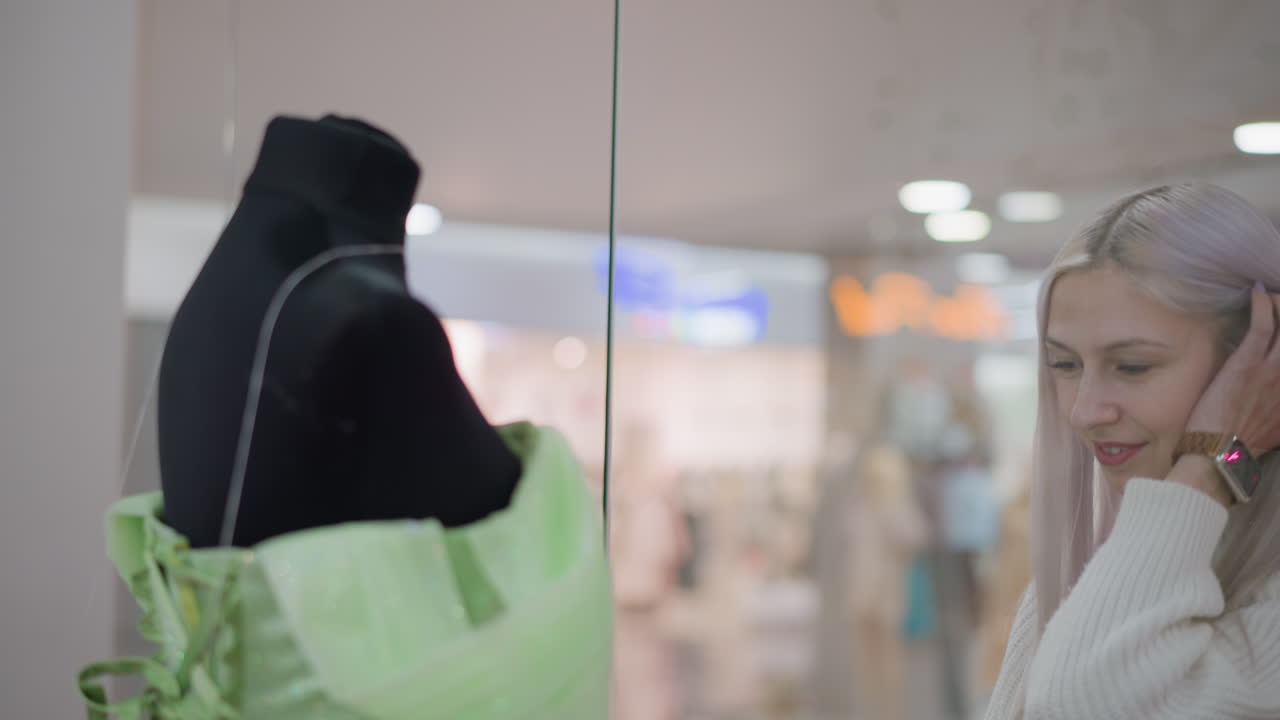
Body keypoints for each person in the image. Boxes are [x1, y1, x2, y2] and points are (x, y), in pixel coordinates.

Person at [984, 183, 1280, 719]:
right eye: (1066, 365)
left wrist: (1216, 460)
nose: (1084, 411)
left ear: (1263, 363)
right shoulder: (1102, 565)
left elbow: (1083, 706)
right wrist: (1220, 461)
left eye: (1133, 366)